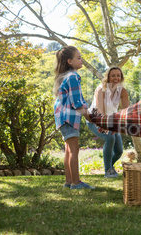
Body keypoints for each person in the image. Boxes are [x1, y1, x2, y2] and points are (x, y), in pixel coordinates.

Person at [53, 46, 95, 190]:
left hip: (62, 117)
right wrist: (88, 116)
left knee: (69, 150)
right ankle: (76, 183)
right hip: (69, 117)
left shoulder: (65, 77)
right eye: (79, 57)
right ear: (70, 61)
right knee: (74, 150)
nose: (81, 59)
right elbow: (77, 101)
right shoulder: (73, 77)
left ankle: (69, 181)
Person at [87, 67, 129, 178]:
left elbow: (126, 110)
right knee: (109, 138)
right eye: (113, 75)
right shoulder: (101, 89)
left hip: (111, 121)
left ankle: (110, 166)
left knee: (119, 150)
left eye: (118, 75)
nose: (116, 78)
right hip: (95, 119)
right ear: (108, 77)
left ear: (121, 77)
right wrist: (108, 126)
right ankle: (108, 171)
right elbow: (101, 111)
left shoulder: (122, 91)